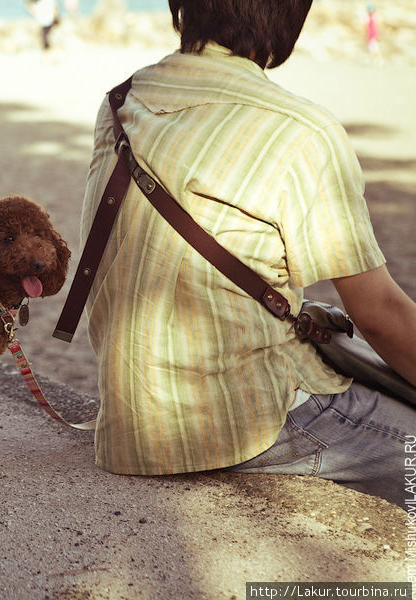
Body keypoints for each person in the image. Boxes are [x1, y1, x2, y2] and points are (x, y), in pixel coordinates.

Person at [80, 0, 416, 508]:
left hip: (131, 422)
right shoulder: (302, 129)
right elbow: (381, 314)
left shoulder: (120, 102)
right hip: (242, 419)